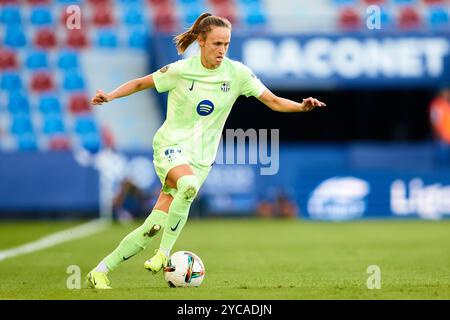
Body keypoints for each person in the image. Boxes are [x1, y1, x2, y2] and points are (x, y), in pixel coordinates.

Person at [86, 13, 326, 289]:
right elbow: (142, 82)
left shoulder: (237, 73)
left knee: (152, 227)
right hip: (170, 147)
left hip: (201, 159)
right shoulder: (180, 70)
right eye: (216, 44)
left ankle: (100, 271)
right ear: (200, 41)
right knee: (187, 185)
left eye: (226, 44)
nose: (222, 50)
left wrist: (300, 106)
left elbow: (272, 101)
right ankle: (164, 254)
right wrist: (111, 95)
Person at [429, 87, 450, 167]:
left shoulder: (447, 104)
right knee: (441, 164)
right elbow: (434, 121)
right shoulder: (437, 104)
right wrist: (439, 136)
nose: (447, 94)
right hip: (441, 140)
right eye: (446, 91)